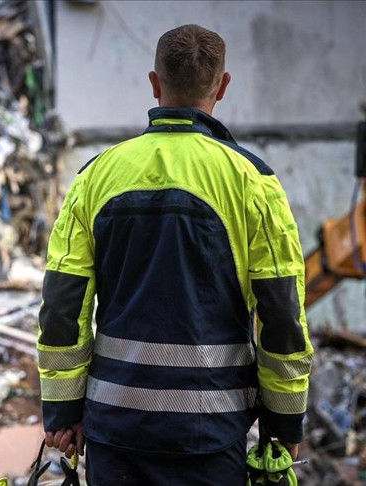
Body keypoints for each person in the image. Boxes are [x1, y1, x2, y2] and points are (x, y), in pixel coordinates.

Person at [37, 24, 313, 485]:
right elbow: (281, 313)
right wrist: (284, 424)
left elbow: (63, 303)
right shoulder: (253, 182)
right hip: (208, 433)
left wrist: (63, 410)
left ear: (154, 82)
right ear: (223, 86)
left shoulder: (95, 176)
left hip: (114, 430)